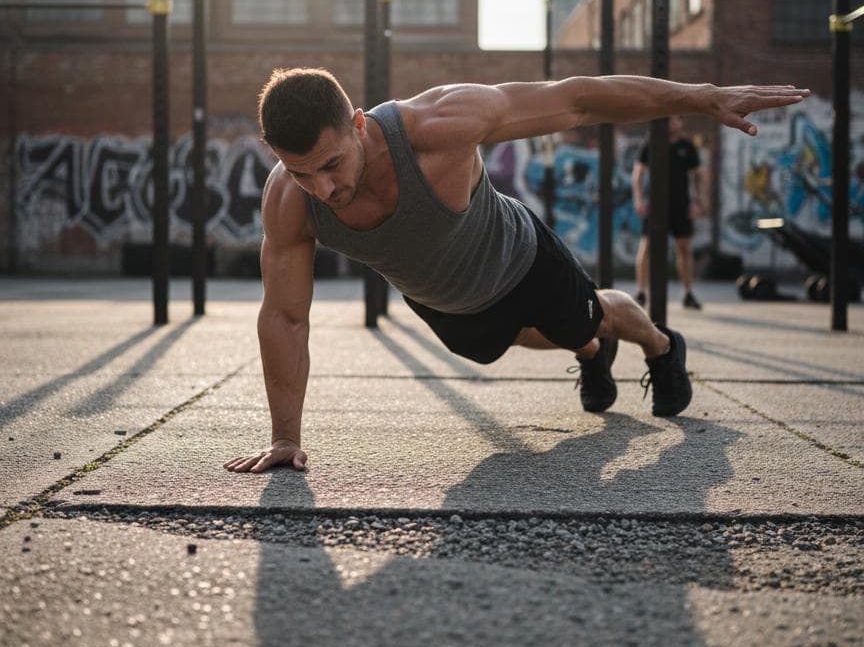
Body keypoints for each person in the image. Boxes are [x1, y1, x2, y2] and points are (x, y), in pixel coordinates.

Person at [224, 70, 808, 474]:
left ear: (357, 125)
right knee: (540, 339)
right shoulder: (290, 202)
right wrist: (285, 439)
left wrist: (702, 97)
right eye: (301, 173)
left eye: (331, 165)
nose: (322, 189)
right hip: (448, 304)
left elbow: (578, 99)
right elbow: (285, 315)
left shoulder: (437, 126)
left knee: (591, 315)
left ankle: (658, 344)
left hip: (522, 260)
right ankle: (588, 353)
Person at [632, 115, 708, 310]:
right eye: (670, 119)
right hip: (655, 205)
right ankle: (641, 292)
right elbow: (638, 173)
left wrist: (698, 201)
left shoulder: (687, 146)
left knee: (684, 247)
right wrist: (639, 199)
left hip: (681, 205)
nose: (674, 123)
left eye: (677, 119)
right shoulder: (651, 143)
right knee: (647, 246)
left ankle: (687, 293)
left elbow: (698, 175)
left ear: (681, 123)